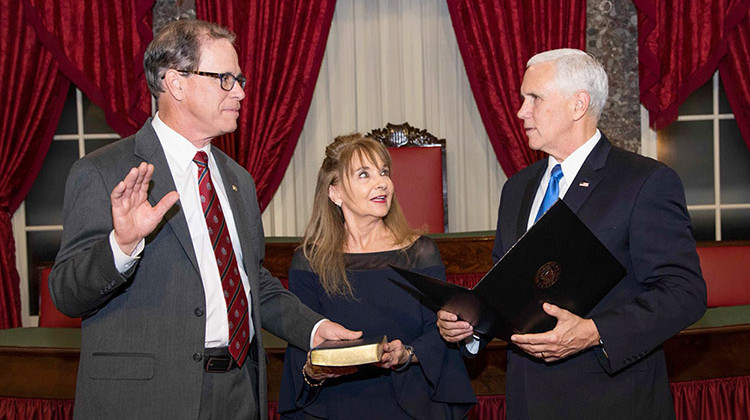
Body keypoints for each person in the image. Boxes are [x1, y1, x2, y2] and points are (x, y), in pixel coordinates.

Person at [48, 19, 360, 420]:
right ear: (176, 83)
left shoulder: (238, 180)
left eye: (240, 79)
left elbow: (251, 282)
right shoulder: (104, 172)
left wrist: (314, 330)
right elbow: (66, 294)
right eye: (225, 79)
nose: (241, 93)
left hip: (239, 390)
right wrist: (121, 246)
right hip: (149, 400)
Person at [437, 49, 707, 419]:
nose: (520, 112)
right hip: (529, 399)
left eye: (534, 98)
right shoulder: (516, 188)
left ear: (578, 104)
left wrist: (595, 331)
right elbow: (507, 291)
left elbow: (684, 293)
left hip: (613, 400)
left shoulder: (645, 182)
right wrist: (471, 325)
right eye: (521, 99)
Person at [278, 133, 476, 419]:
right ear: (335, 192)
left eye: (384, 172)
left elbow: (439, 332)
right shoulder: (309, 261)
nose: (381, 182)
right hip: (332, 405)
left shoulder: (420, 252)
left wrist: (407, 353)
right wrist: (313, 369)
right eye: (364, 174)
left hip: (411, 402)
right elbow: (302, 342)